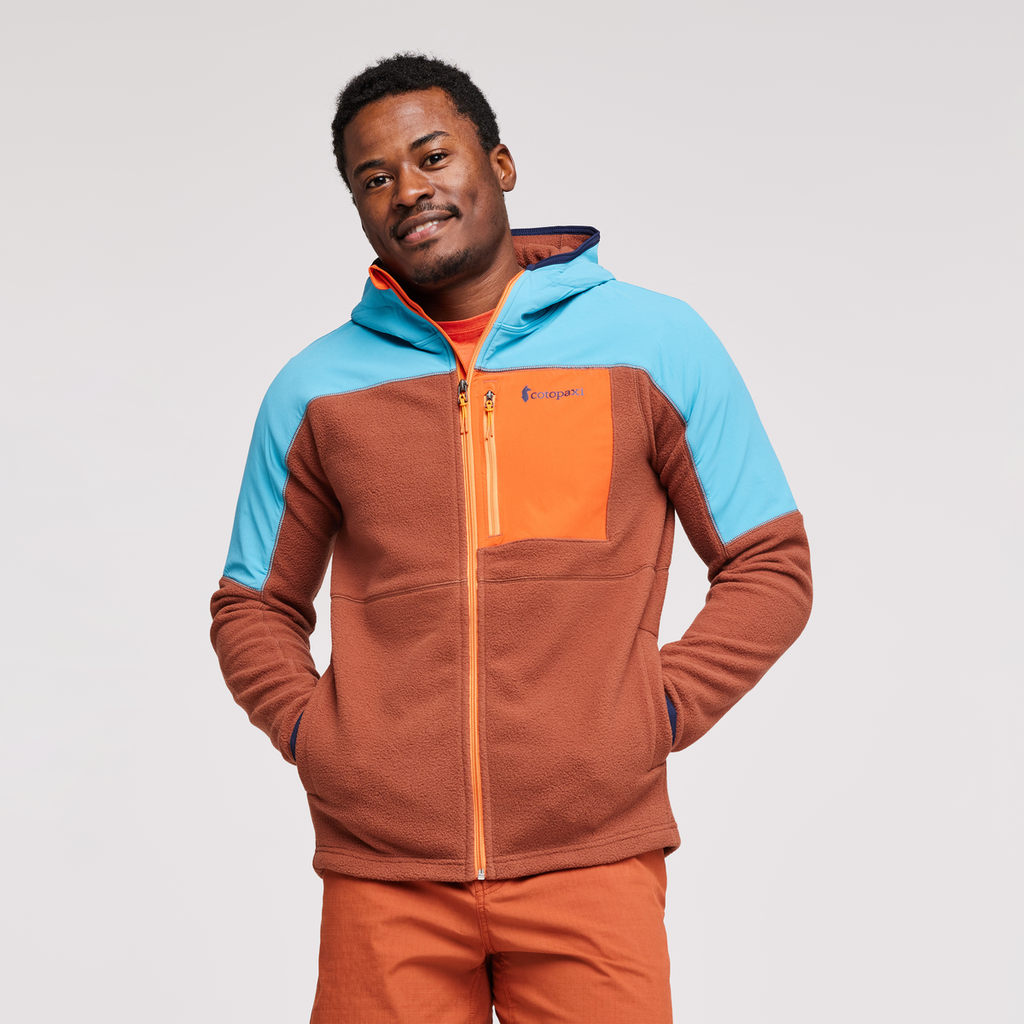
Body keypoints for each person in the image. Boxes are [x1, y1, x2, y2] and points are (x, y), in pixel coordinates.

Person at [211, 53, 812, 1024]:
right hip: (385, 875)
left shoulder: (653, 344)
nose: (408, 190)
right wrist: (319, 739)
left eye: (432, 156)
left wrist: (651, 713)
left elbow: (769, 563)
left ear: (499, 164)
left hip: (591, 860)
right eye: (374, 177)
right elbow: (252, 605)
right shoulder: (314, 390)